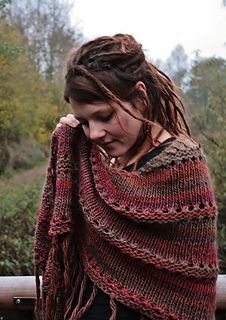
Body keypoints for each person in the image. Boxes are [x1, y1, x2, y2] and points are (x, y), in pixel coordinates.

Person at [34, 34, 218, 320]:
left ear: (140, 97)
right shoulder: (110, 168)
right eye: (84, 122)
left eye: (104, 116)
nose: (94, 134)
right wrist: (72, 145)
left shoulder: (183, 166)